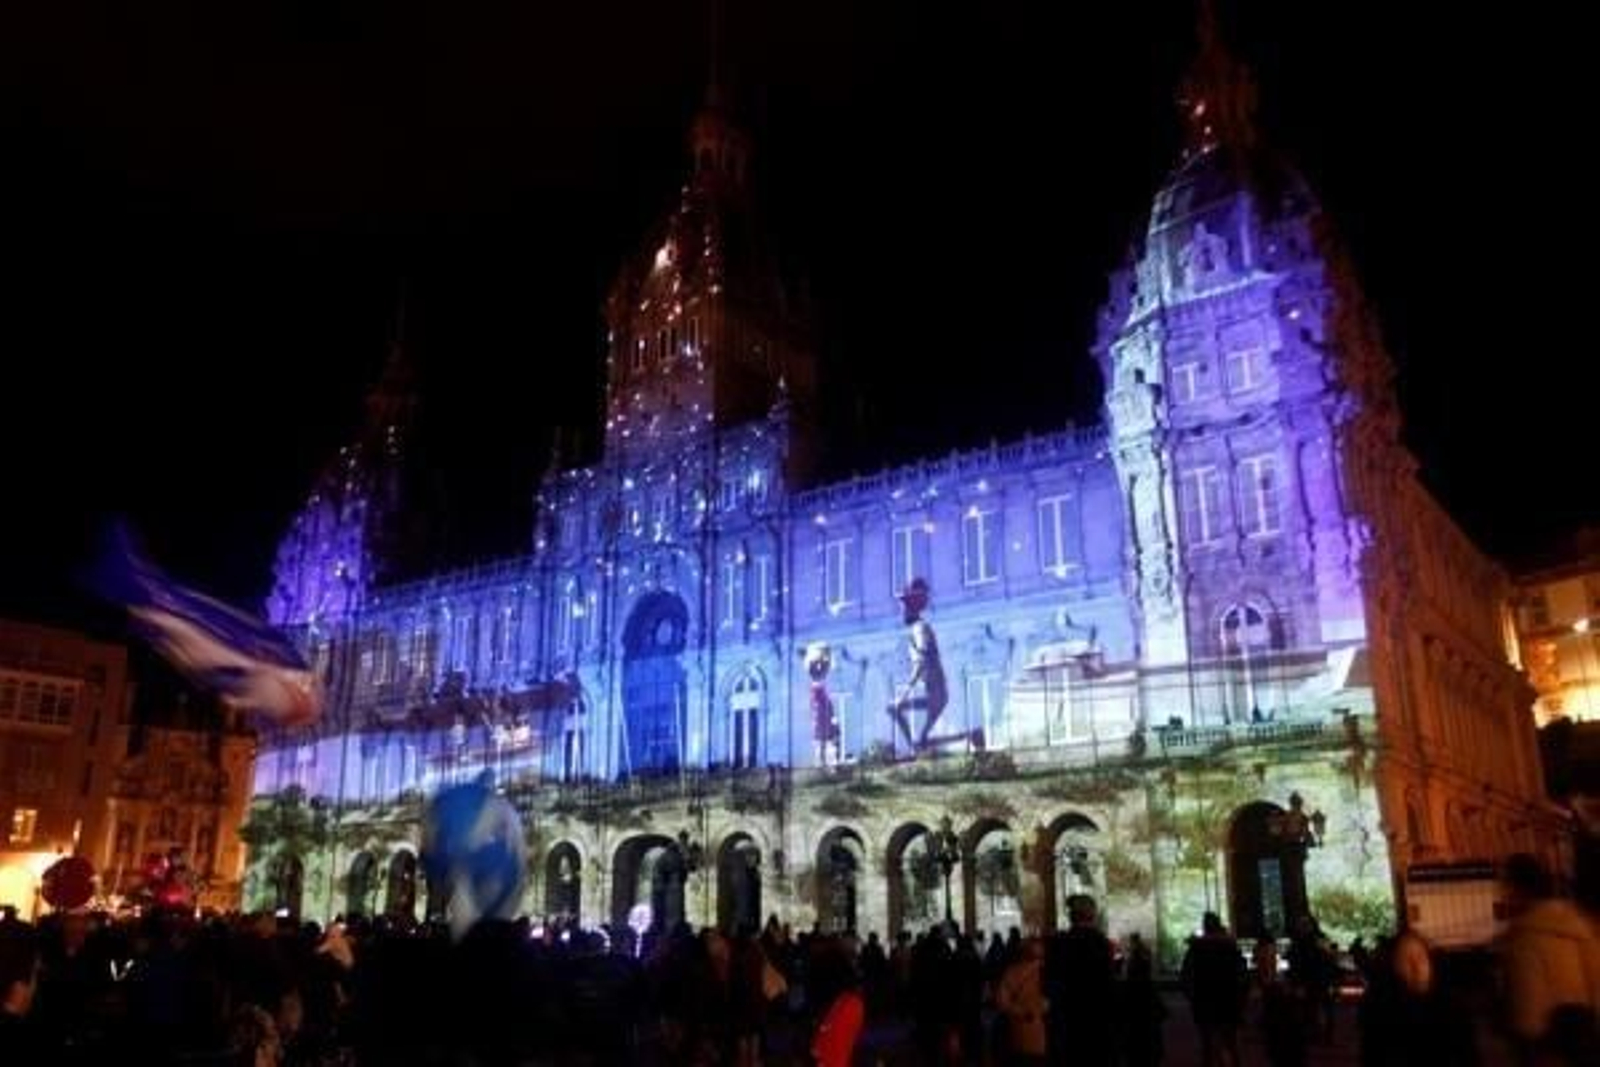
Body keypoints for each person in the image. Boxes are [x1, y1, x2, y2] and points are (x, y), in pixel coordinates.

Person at [1498, 852, 1600, 1064]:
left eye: (1505, 886)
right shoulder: (1581, 925)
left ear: (1517, 889)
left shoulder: (1525, 938)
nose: (1502, 894)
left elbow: (1529, 1023)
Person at [889, 577, 948, 751]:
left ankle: (915, 747)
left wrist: (905, 693)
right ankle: (918, 746)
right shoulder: (918, 628)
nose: (901, 612)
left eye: (903, 608)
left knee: (894, 707)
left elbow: (922, 660)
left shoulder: (919, 628)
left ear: (910, 608)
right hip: (936, 693)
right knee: (923, 740)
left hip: (935, 695)